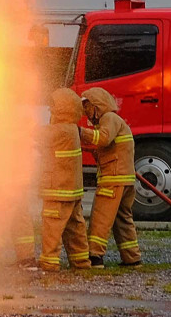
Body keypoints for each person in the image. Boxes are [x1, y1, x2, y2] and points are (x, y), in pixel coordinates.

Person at [80, 87, 142, 268]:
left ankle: (95, 257)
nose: (86, 113)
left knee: (101, 218)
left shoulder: (109, 118)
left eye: (87, 107)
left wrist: (80, 132)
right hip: (124, 180)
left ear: (97, 106)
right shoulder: (115, 120)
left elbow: (104, 139)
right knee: (123, 220)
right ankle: (132, 258)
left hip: (113, 179)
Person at [37, 88, 91, 271]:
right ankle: (81, 262)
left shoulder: (60, 130)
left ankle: (49, 262)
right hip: (72, 191)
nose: (50, 110)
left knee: (52, 226)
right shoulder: (71, 129)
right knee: (75, 228)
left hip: (58, 189)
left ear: (63, 109)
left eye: (53, 107)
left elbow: (40, 136)